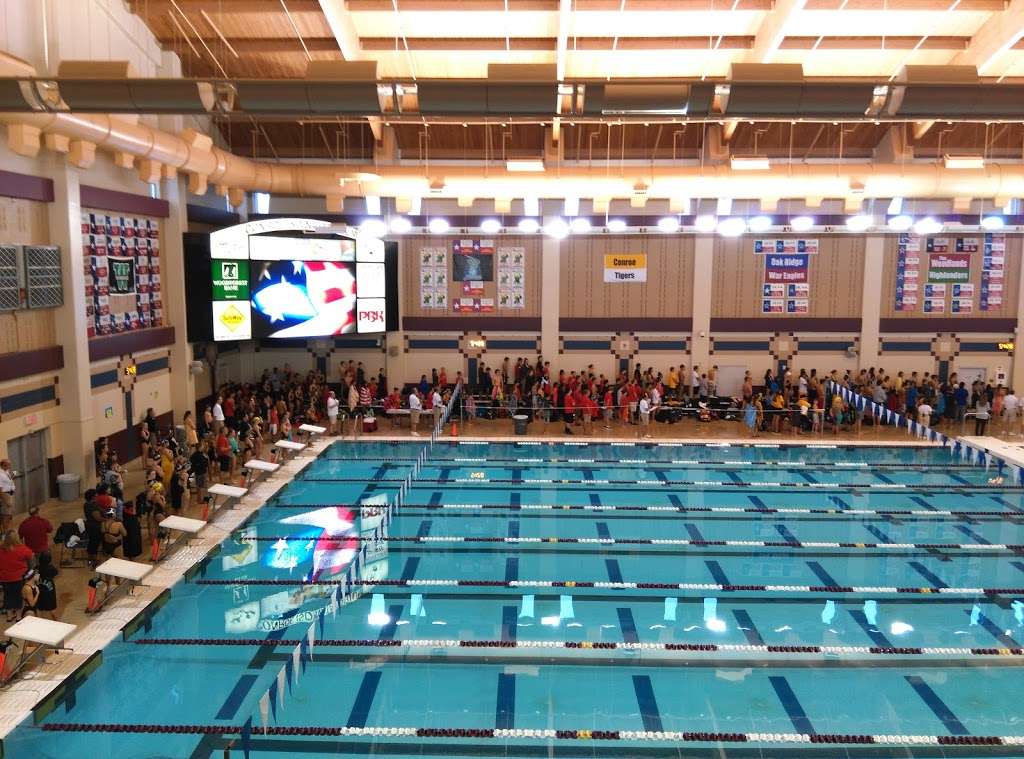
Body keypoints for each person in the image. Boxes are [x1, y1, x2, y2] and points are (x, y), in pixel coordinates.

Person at [0, 531, 33, 622]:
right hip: (18, 577)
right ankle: (18, 617)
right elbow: (30, 555)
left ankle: (9, 616)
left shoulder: (1, 549)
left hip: (4, 578)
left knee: (7, 595)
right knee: (18, 596)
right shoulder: (22, 549)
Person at [35, 552, 58, 620]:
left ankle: (39, 622)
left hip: (39, 590)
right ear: (49, 560)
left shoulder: (37, 567)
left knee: (39, 607)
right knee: (52, 607)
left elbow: (35, 577)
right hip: (49, 590)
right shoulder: (51, 567)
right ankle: (56, 621)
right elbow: (55, 573)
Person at [0, 459, 15, 530]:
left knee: (9, 515)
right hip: (5, 495)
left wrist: (11, 477)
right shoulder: (0, 474)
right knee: (6, 515)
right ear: (3, 465)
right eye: (8, 464)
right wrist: (5, 501)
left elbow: (7, 482)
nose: (10, 466)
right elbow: (0, 489)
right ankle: (5, 533)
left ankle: (7, 530)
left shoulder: (6, 472)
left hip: (9, 494)